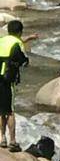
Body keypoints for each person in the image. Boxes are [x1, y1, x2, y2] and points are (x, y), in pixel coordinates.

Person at [0, 20, 38, 152]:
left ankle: (2, 138)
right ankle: (13, 141)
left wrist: (29, 38)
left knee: (1, 111)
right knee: (10, 111)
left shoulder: (2, 40)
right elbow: (23, 59)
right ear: (20, 32)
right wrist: (26, 61)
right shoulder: (17, 43)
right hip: (8, 80)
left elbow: (16, 43)